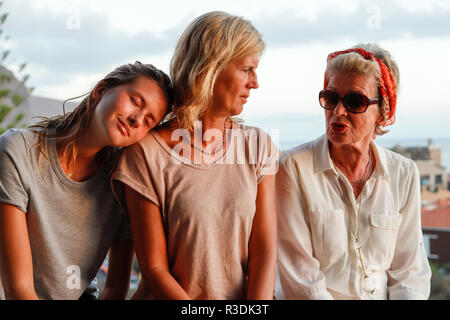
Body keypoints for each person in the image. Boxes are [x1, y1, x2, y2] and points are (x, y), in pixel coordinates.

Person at [112, 11, 279, 300]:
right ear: (211, 68)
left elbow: (264, 249)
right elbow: (154, 268)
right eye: (246, 69)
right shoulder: (145, 154)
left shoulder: (258, 145)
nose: (255, 82)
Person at [0, 61, 173, 300]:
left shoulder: (123, 184)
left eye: (148, 121)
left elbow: (114, 289)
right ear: (100, 91)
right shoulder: (18, 151)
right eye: (135, 101)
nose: (136, 119)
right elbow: (18, 289)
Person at [276, 43, 431, 300]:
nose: (337, 111)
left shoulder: (404, 173)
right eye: (330, 98)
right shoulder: (292, 167)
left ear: (383, 111)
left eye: (355, 101)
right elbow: (301, 277)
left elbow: (410, 272)